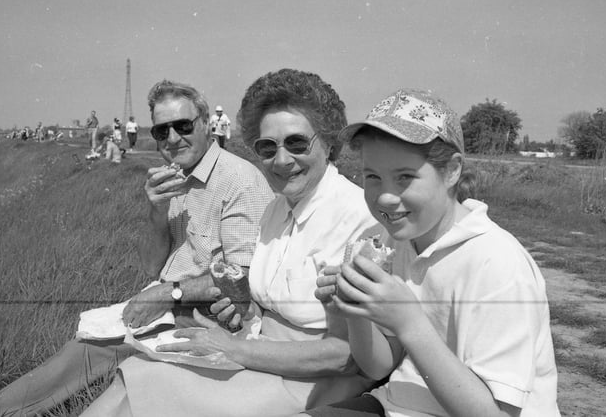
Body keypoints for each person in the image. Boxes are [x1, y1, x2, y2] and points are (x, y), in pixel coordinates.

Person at [79, 68, 384, 417]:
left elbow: (347, 357)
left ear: (329, 143)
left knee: (148, 387)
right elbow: (261, 300)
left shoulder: (358, 219)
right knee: (134, 377)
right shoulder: (276, 210)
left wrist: (235, 350)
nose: (282, 160)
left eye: (297, 143)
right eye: (267, 147)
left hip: (312, 382)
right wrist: (241, 312)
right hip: (260, 352)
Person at [0, 80, 274, 417]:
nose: (173, 138)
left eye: (183, 126)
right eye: (162, 131)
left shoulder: (239, 181)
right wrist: (156, 211)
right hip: (172, 305)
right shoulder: (175, 178)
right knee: (79, 353)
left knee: (91, 363)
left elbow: (241, 278)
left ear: (207, 124)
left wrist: (167, 295)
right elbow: (151, 265)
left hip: (207, 319)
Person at [302, 89, 560, 417]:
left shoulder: (497, 263)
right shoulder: (385, 240)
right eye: (372, 177)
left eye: (405, 177)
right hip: (396, 404)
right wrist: (353, 311)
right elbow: (379, 366)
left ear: (451, 171)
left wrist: (410, 323)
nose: (384, 198)